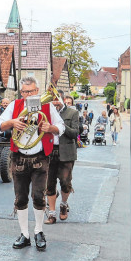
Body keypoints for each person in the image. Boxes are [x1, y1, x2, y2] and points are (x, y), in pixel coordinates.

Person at [0, 76, 65, 250]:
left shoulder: (47, 106)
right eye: (25, 92)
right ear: (21, 92)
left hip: (40, 156)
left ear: (37, 91)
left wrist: (50, 129)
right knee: (20, 198)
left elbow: (61, 127)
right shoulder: (14, 105)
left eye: (31, 91)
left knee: (39, 196)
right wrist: (12, 122)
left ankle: (39, 231)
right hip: (19, 157)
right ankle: (24, 234)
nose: (28, 95)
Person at [45, 94, 79, 224]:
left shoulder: (73, 112)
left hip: (66, 152)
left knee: (65, 183)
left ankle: (64, 204)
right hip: (49, 151)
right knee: (49, 184)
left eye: (56, 100)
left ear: (62, 100)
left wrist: (61, 125)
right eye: (51, 101)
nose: (54, 103)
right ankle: (52, 214)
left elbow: (75, 133)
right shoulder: (46, 113)